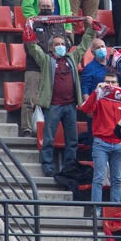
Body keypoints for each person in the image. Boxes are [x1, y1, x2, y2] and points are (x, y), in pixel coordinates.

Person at [28, 26, 96, 177]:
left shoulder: (72, 58)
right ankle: (48, 167)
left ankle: (69, 168)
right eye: (57, 45)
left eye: (63, 44)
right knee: (49, 138)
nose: (61, 47)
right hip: (53, 106)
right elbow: (33, 48)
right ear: (51, 48)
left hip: (70, 106)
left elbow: (84, 45)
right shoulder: (46, 60)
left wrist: (90, 29)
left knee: (72, 140)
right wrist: (28, 32)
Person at [80, 72, 121, 208]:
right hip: (101, 143)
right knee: (98, 178)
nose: (111, 85)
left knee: (117, 179)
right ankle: (96, 211)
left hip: (119, 144)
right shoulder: (99, 98)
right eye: (108, 82)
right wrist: (96, 92)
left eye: (113, 82)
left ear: (118, 85)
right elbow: (85, 108)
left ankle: (114, 211)